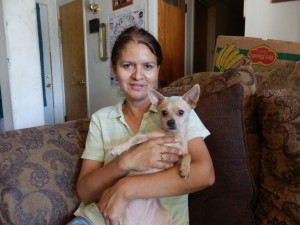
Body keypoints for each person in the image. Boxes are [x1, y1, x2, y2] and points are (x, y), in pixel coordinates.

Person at [67, 26, 215, 225]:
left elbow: (205, 175)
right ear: (114, 69)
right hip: (97, 219)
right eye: (127, 65)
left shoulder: (181, 112)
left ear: (157, 71)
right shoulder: (101, 119)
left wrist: (126, 189)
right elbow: (85, 192)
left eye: (147, 66)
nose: (138, 75)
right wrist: (125, 162)